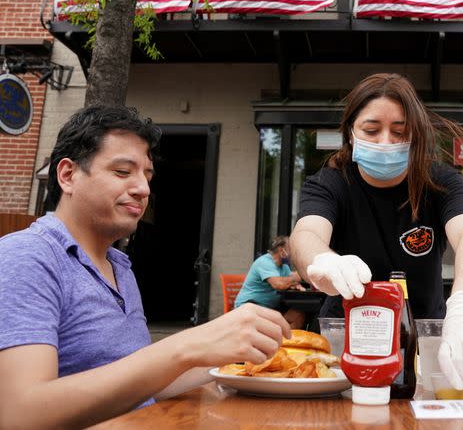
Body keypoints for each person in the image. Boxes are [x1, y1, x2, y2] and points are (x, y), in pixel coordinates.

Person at [0, 106, 291, 429]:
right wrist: (183, 346)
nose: (143, 189)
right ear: (68, 175)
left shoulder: (118, 265)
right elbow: (19, 413)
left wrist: (231, 351)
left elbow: (138, 384)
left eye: (147, 175)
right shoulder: (27, 256)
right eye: (123, 172)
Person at [289, 73, 463, 394]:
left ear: (417, 136)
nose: (385, 142)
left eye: (400, 132)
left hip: (427, 343)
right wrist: (322, 261)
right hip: (346, 337)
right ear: (350, 133)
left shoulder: (441, 182)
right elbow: (306, 234)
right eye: (371, 130)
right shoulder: (329, 183)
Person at [235, 235, 307, 329]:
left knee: (298, 314)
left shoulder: (284, 266)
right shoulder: (264, 262)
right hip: (251, 306)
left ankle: (288, 342)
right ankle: (277, 339)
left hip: (270, 308)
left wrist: (295, 285)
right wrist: (298, 276)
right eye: (291, 249)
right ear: (282, 250)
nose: (293, 253)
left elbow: (289, 282)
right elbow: (279, 284)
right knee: (277, 322)